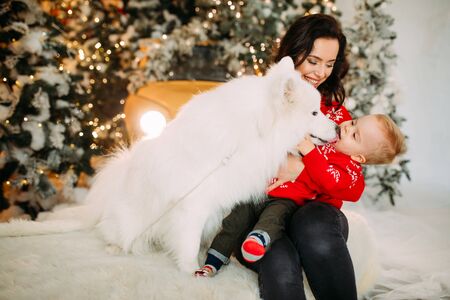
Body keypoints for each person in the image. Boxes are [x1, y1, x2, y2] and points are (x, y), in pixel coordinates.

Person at [196, 13, 404, 300]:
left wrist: (301, 165)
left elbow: (343, 179)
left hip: (315, 216)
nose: (320, 73)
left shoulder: (337, 117)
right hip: (264, 215)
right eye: (314, 61)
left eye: (329, 64)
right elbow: (231, 157)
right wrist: (279, 164)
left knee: (314, 225)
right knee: (277, 257)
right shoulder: (262, 100)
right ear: (293, 54)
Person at [194, 113, 406, 275]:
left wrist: (309, 151)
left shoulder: (349, 171)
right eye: (354, 122)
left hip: (286, 200)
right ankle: (214, 260)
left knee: (273, 219)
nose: (347, 127)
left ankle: (258, 241)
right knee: (235, 219)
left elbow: (329, 180)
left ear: (359, 158)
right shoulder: (333, 131)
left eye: (354, 134)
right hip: (262, 186)